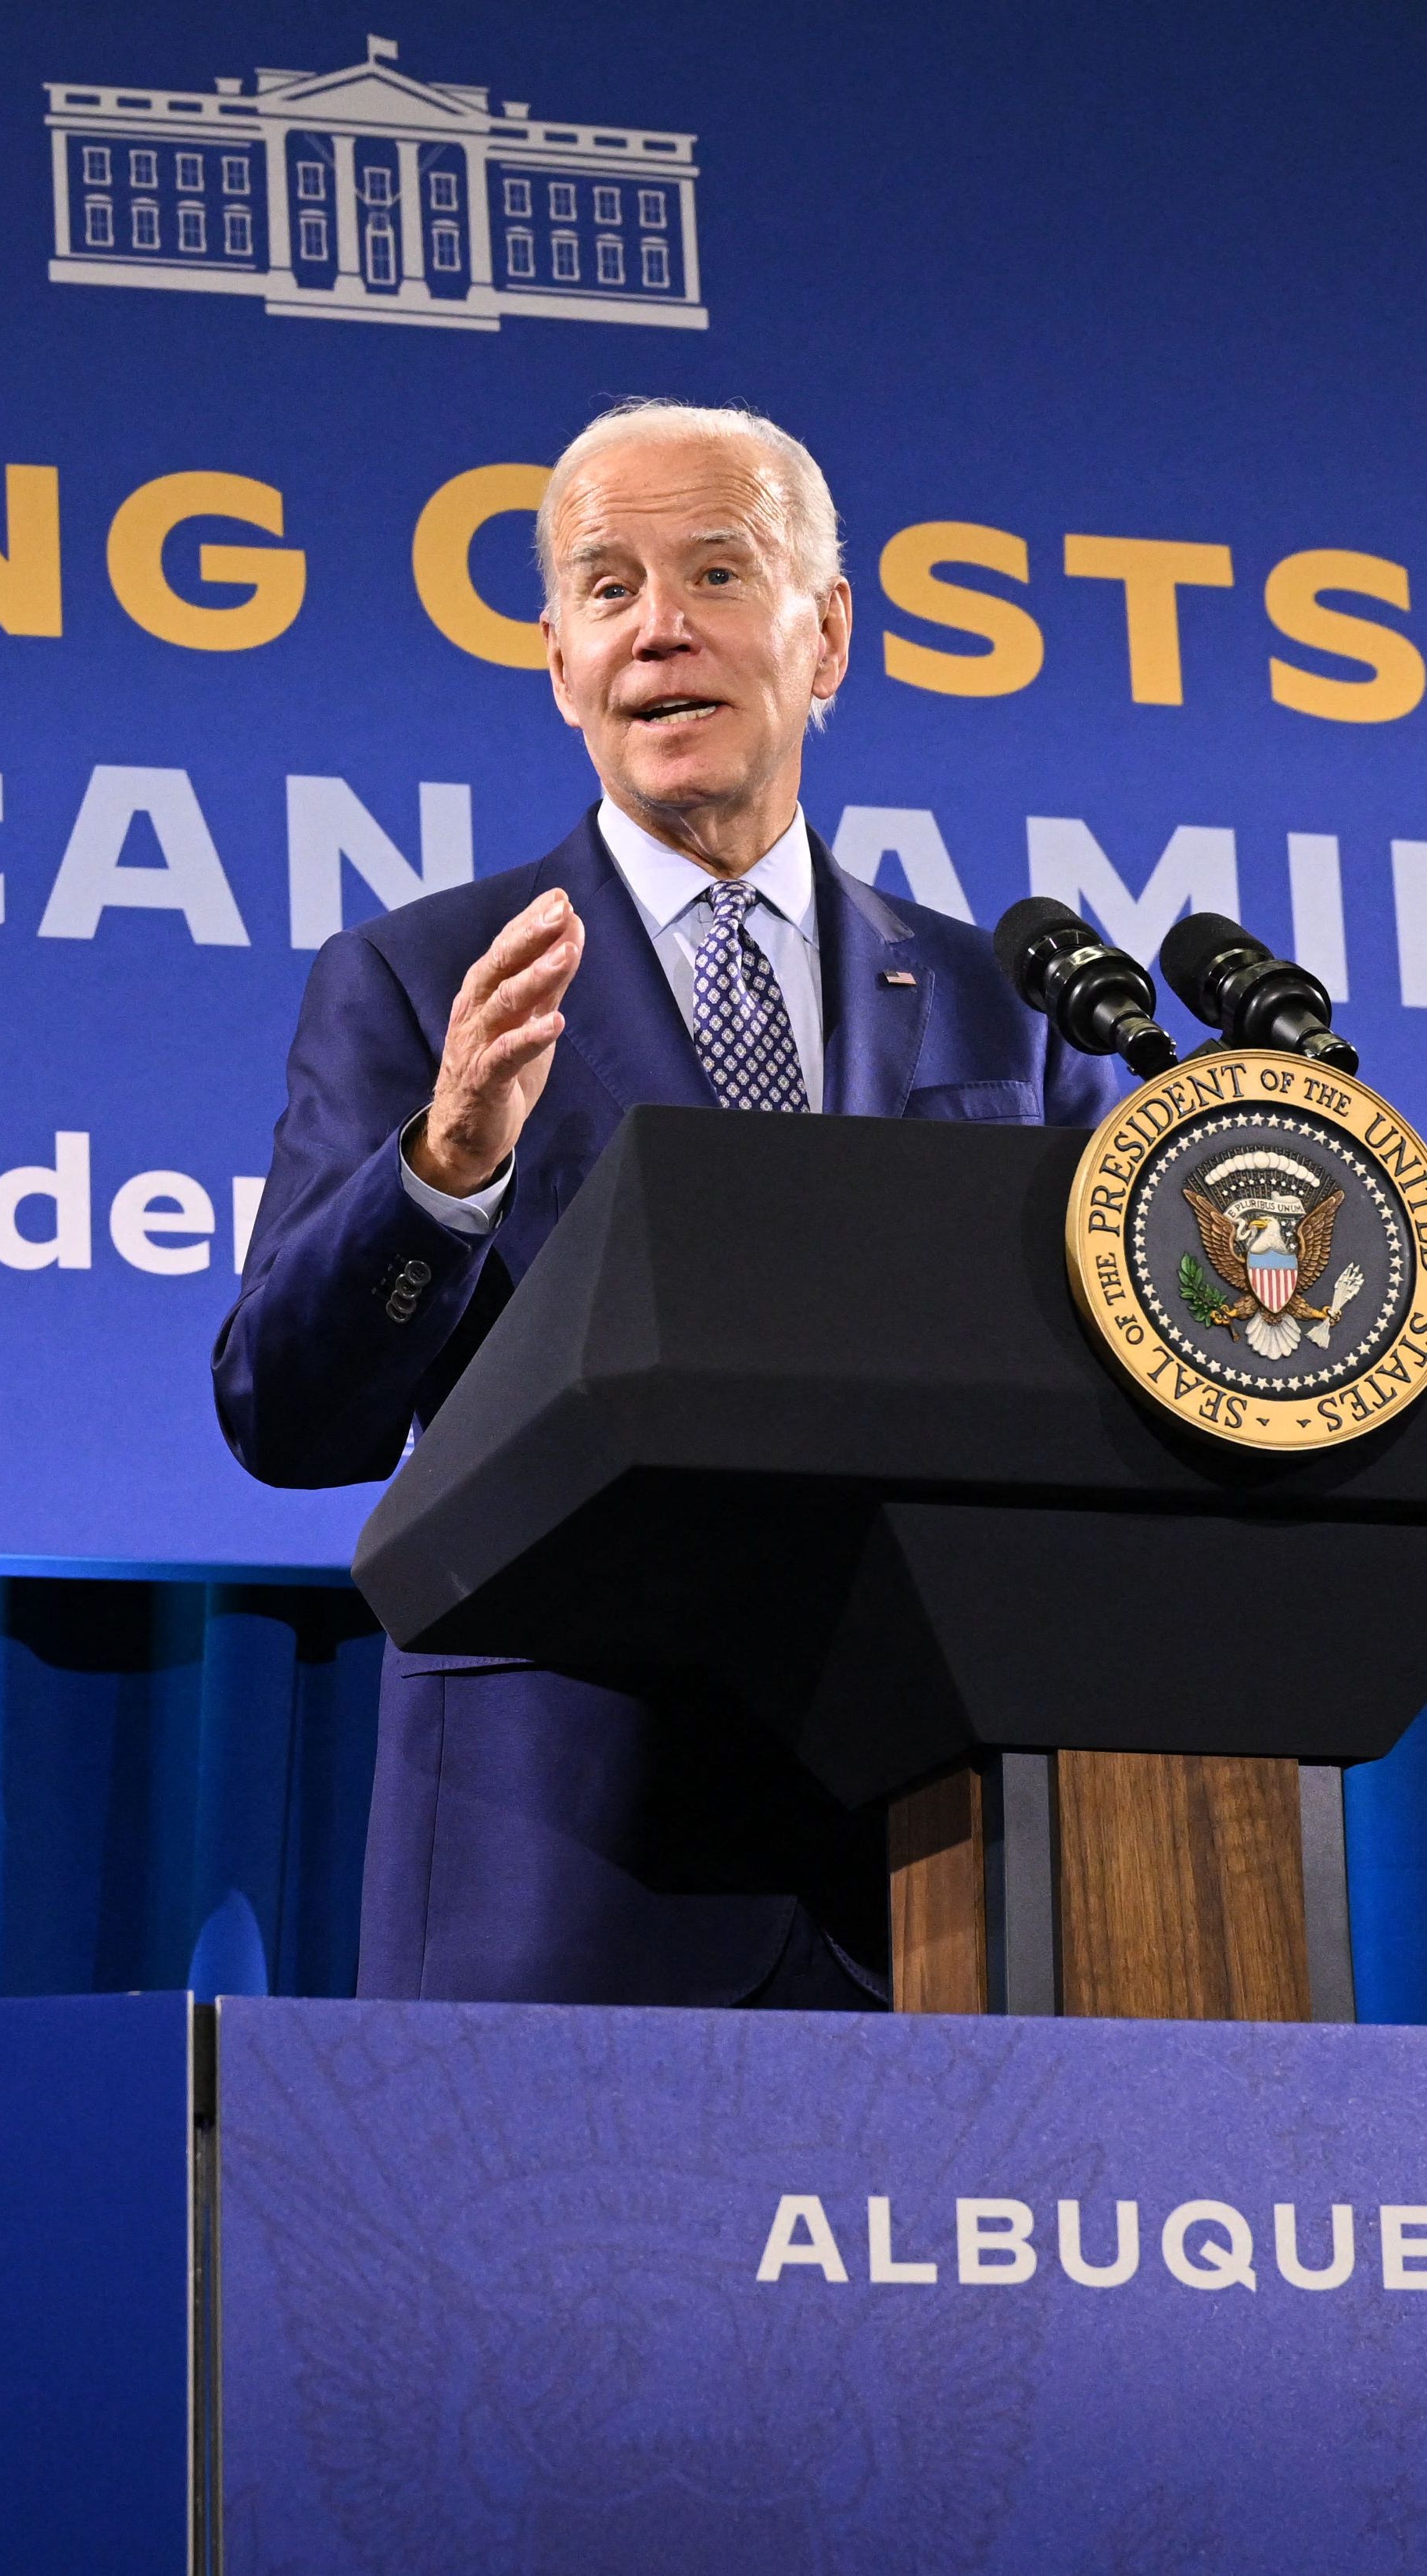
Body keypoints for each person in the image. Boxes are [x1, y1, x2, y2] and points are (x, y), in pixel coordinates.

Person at [213, 399, 1122, 2010]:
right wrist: (446, 1167)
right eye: (607, 588)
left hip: (932, 1855)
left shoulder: (1009, 1008)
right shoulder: (424, 981)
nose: (659, 631)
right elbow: (289, 1418)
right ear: (557, 659)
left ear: (827, 635)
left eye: (715, 571)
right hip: (562, 1846)